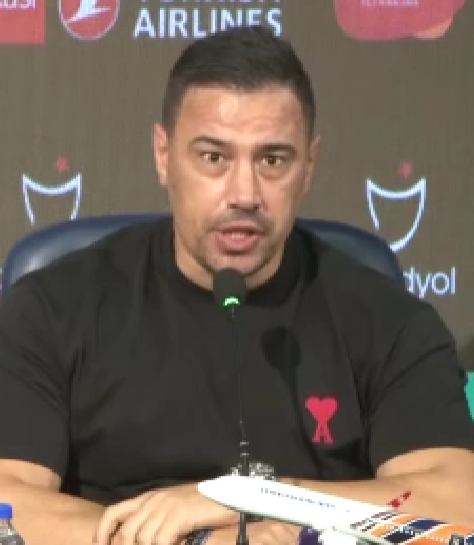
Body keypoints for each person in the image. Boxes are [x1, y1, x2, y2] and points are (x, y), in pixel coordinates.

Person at [0, 25, 473, 545]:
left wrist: (257, 501)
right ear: (163, 155)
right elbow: (9, 502)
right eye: (214, 158)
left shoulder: (388, 321)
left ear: (309, 166)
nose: (244, 193)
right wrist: (200, 540)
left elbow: (457, 501)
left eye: (272, 160)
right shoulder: (52, 308)